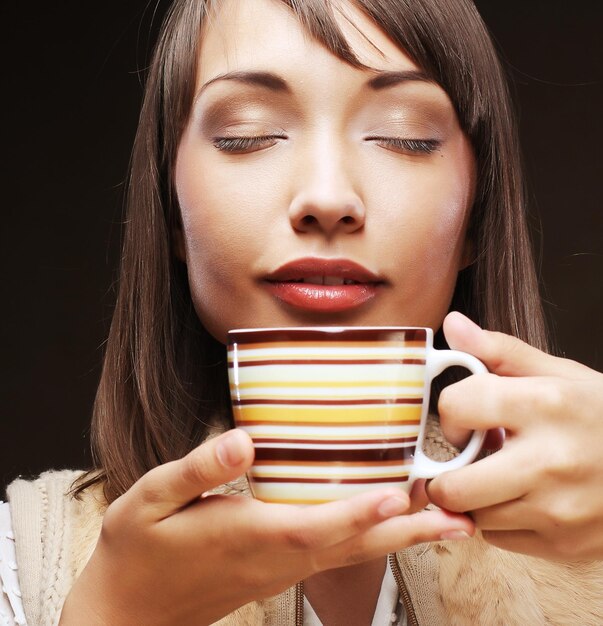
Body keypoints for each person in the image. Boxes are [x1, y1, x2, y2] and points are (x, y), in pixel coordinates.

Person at [1, 0, 602, 624]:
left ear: (477, 216)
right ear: (170, 211)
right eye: (248, 133)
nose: (327, 197)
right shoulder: (22, 563)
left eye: (404, 134)